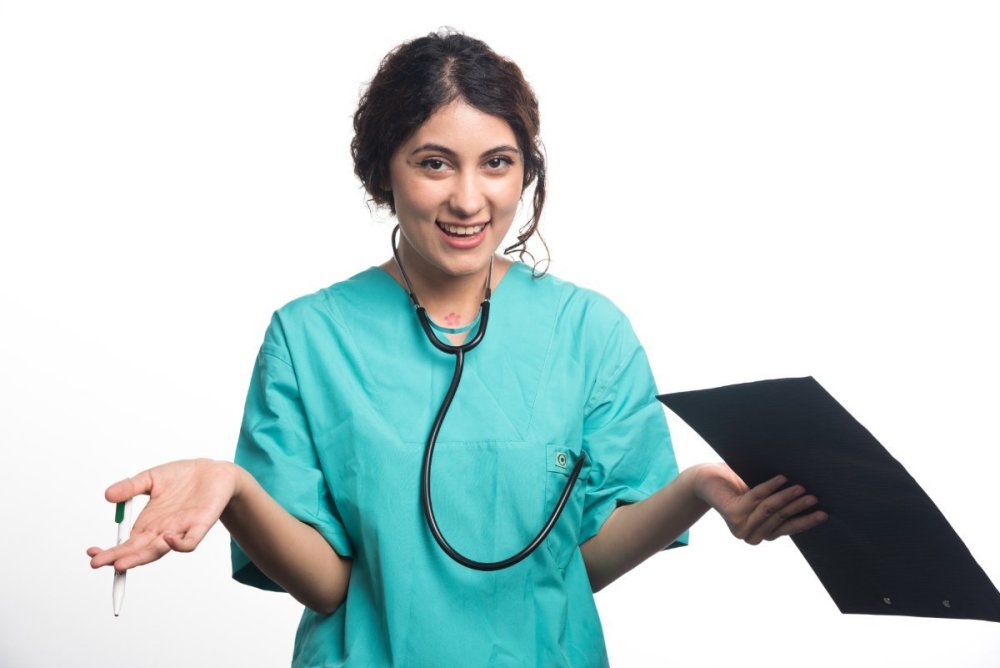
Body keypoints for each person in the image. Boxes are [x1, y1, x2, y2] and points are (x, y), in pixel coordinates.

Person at [87, 30, 827, 666]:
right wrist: (235, 489)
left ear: (527, 170)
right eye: (434, 163)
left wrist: (695, 490)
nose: (470, 200)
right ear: (383, 171)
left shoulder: (590, 333)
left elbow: (574, 566)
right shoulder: (309, 337)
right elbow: (329, 585)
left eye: (497, 163)